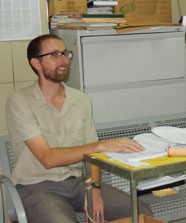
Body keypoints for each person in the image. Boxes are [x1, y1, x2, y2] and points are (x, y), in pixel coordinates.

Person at [5, 34, 152, 223]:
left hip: (78, 183)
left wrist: (95, 188)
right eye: (54, 55)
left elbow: (94, 157)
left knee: (141, 213)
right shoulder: (20, 102)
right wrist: (100, 146)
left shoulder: (80, 100)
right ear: (36, 63)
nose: (64, 60)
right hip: (36, 187)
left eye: (65, 53)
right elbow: (48, 158)